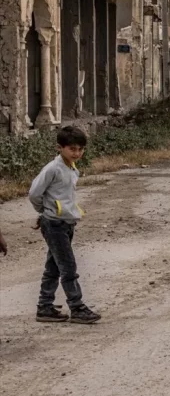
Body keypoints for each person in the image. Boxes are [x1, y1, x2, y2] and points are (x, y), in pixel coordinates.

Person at [28, 126, 101, 324]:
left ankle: (45, 307)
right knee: (68, 267)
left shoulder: (71, 168)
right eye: (72, 149)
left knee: (53, 267)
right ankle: (77, 307)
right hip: (54, 224)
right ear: (59, 148)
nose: (77, 153)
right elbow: (34, 193)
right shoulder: (53, 169)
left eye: (80, 149)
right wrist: (44, 212)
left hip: (66, 223)